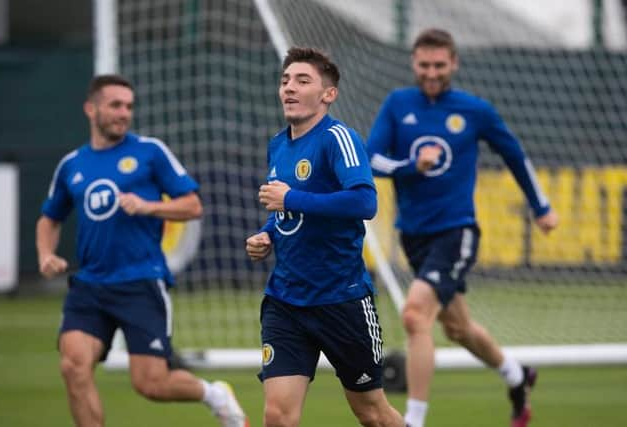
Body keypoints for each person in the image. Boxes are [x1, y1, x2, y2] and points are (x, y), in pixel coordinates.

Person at [365, 29, 559, 427]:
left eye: (439, 65)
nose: (432, 73)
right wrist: (409, 167)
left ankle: (413, 420)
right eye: (424, 65)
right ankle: (516, 375)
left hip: (457, 231)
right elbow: (370, 160)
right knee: (457, 327)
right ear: (413, 63)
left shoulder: (475, 110)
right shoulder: (398, 104)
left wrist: (541, 206)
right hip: (414, 234)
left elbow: (515, 156)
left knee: (415, 315)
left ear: (454, 64)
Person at [36, 74, 248, 427]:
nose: (124, 113)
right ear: (91, 109)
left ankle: (213, 395)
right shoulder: (72, 165)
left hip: (140, 282)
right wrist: (45, 254)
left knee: (151, 383)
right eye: (115, 105)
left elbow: (193, 205)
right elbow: (49, 218)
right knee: (73, 366)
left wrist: (149, 207)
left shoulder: (150, 152)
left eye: (129, 106)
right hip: (89, 286)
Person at [245, 47, 404, 427]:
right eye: (285, 80)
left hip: (340, 300)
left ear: (328, 95)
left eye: (302, 81)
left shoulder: (338, 138)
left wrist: (290, 198)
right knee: (278, 416)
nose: (289, 88)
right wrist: (267, 234)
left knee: (372, 414)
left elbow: (365, 201)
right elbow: (287, 212)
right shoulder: (278, 145)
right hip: (285, 301)